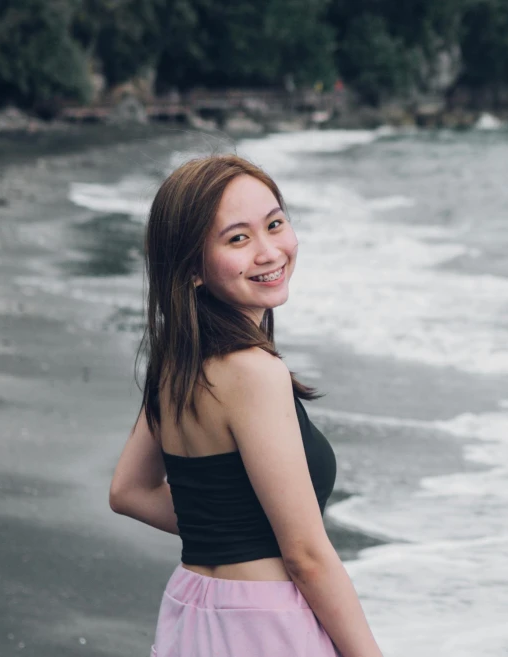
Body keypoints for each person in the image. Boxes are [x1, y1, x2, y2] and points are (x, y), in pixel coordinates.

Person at [109, 155, 383, 657]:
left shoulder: (176, 361)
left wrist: (228, 527)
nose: (269, 251)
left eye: (275, 224)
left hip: (190, 612)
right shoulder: (254, 373)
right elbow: (306, 557)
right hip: (266, 625)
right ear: (192, 267)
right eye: (238, 238)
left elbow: (129, 490)